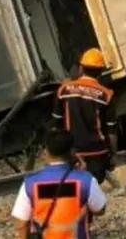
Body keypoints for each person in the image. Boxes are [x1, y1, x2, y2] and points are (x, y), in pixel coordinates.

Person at [11, 129, 107, 239]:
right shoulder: (85, 180)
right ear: (72, 152)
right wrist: (82, 174)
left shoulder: (30, 182)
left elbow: (21, 222)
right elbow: (100, 210)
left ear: (45, 153)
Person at [51, 48, 118, 184]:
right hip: (98, 152)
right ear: (100, 72)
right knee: (96, 184)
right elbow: (111, 130)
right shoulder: (106, 95)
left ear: (81, 67)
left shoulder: (64, 90)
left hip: (73, 152)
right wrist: (113, 155)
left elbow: (55, 125)